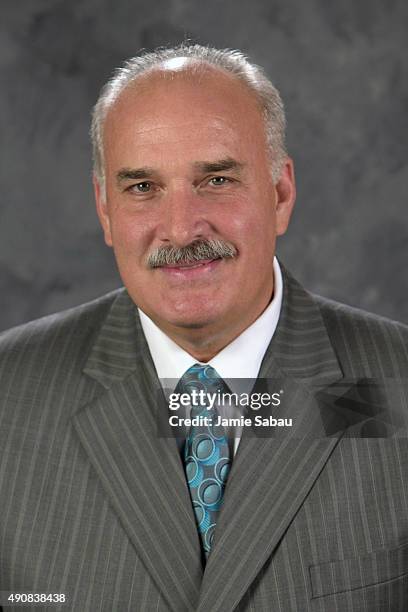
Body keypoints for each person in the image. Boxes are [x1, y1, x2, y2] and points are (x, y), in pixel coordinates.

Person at [0, 44, 407, 612]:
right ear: (105, 211)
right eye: (142, 188)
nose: (181, 229)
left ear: (281, 194)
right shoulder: (8, 393)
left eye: (216, 179)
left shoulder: (398, 385)